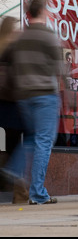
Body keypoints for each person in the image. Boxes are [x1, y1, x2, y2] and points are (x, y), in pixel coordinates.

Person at [0, 0, 63, 205]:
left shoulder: (21, 39)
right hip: (45, 94)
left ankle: (13, 168)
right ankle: (37, 193)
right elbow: (59, 67)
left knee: (31, 139)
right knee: (44, 141)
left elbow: (13, 65)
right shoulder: (49, 36)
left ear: (28, 13)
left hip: (24, 96)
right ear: (43, 11)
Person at [0, 17, 29, 204]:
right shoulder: (12, 49)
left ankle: (18, 190)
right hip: (12, 104)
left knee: (9, 148)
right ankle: (20, 193)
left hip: (3, 105)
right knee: (17, 147)